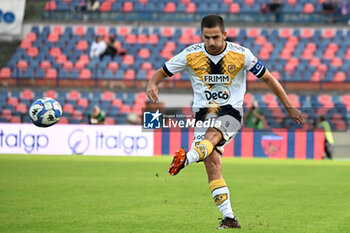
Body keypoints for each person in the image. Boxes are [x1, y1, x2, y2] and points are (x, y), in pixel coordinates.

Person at [146, 15, 302, 229]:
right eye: (207, 37)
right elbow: (161, 72)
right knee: (212, 164)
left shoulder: (241, 54)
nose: (211, 42)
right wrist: (152, 83)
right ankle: (229, 218)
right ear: (202, 36)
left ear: (225, 35)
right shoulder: (191, 54)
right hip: (202, 116)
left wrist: (288, 105)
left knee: (213, 135)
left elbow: (268, 78)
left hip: (231, 113)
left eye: (216, 37)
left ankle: (186, 159)